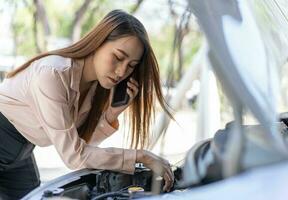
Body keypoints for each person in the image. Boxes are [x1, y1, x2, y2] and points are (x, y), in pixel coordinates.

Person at [0, 9, 174, 199]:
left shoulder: (94, 88)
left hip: (21, 151)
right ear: (98, 42)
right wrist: (141, 156)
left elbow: (83, 150)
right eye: (118, 57)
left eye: (131, 65)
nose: (122, 71)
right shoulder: (52, 74)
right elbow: (75, 157)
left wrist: (110, 116)